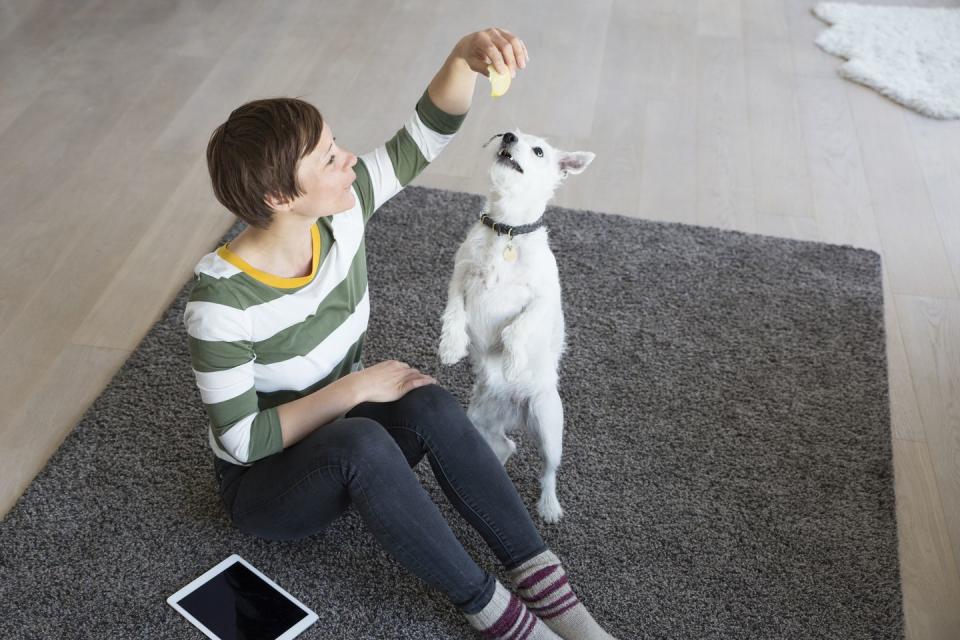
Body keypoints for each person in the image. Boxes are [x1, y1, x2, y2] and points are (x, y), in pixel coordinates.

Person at [183, 27, 617, 640]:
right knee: (360, 437)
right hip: (269, 489)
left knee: (429, 400)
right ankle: (499, 617)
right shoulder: (220, 304)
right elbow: (240, 443)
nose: (350, 161)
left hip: (344, 437)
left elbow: (422, 136)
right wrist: (355, 389)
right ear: (281, 196)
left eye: (338, 145)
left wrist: (464, 57)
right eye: (329, 159)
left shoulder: (341, 211)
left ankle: (554, 593)